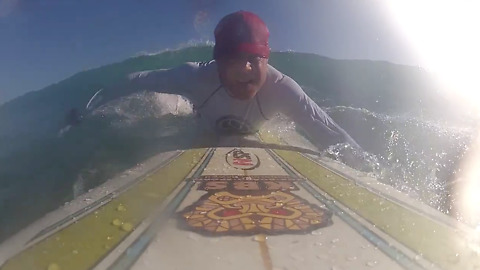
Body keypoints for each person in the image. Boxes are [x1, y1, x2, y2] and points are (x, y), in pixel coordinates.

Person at [78, 10, 361, 152]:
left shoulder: (283, 89)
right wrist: (87, 107)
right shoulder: (195, 77)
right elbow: (137, 80)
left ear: (267, 58)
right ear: (218, 61)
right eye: (233, 59)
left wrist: (366, 171)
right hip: (203, 129)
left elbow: (331, 133)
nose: (244, 68)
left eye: (254, 59)